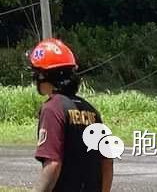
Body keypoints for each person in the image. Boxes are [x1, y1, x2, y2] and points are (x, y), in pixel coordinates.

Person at [28, 38, 113, 192]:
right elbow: (107, 161)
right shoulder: (91, 111)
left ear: (43, 76)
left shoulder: (52, 109)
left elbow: (53, 164)